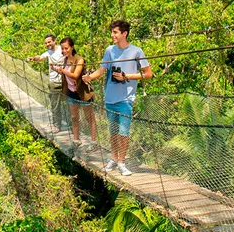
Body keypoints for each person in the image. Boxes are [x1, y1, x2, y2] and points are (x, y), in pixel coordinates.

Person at [82, 20, 152, 176]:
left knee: (123, 132)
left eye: (115, 32)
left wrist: (126, 77)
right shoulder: (109, 50)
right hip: (110, 98)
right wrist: (90, 78)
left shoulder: (136, 52)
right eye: (112, 32)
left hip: (126, 99)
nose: (112, 35)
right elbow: (101, 70)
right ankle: (113, 159)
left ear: (124, 33)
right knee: (113, 131)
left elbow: (148, 74)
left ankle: (122, 162)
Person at [51, 37, 98, 152]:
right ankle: (76, 140)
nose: (64, 51)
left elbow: (75, 75)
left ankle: (94, 142)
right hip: (71, 93)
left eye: (66, 48)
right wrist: (56, 69)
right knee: (74, 117)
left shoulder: (79, 60)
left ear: (72, 47)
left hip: (83, 93)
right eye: (62, 49)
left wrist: (62, 70)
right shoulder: (65, 60)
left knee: (89, 118)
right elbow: (65, 72)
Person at [27, 34, 68, 131]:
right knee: (55, 105)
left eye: (49, 42)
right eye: (46, 43)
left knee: (70, 104)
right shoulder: (48, 53)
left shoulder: (62, 50)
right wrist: (34, 58)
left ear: (54, 41)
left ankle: (70, 125)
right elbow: (41, 57)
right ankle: (57, 125)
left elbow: (70, 57)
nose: (48, 44)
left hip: (66, 81)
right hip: (54, 82)